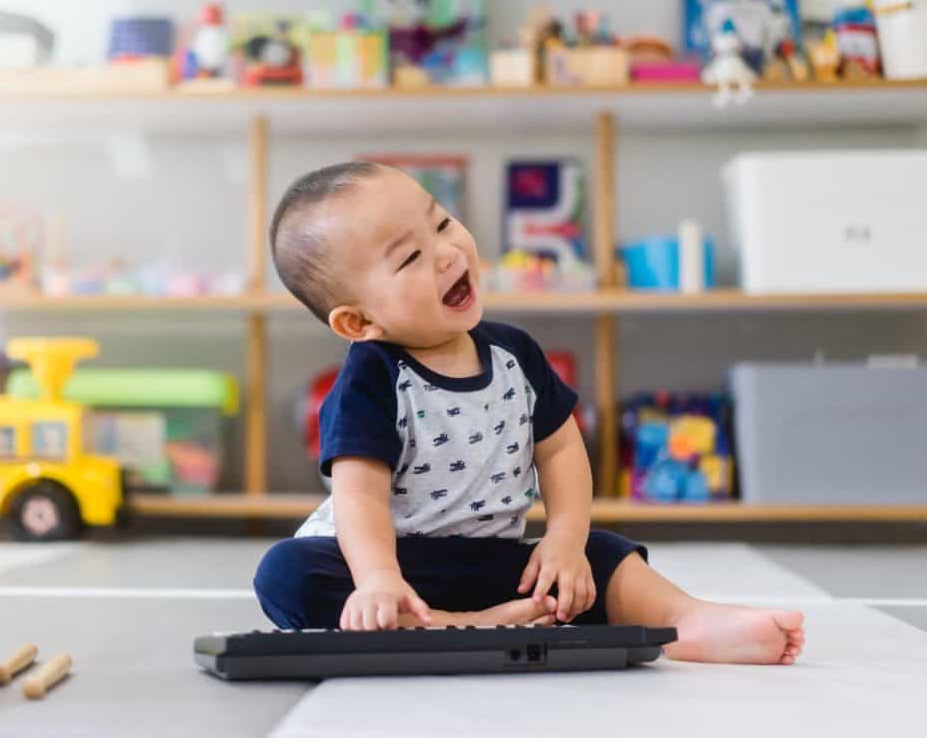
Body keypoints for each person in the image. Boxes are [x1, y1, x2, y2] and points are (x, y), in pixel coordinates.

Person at [253, 161, 804, 664]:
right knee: (287, 575)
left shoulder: (513, 353)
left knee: (598, 552)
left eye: (441, 224)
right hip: (395, 567)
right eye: (411, 257)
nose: (446, 253)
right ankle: (455, 627)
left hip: (495, 562)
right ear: (359, 323)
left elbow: (561, 448)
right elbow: (358, 495)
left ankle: (688, 620)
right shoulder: (372, 376)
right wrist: (377, 579)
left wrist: (564, 538)